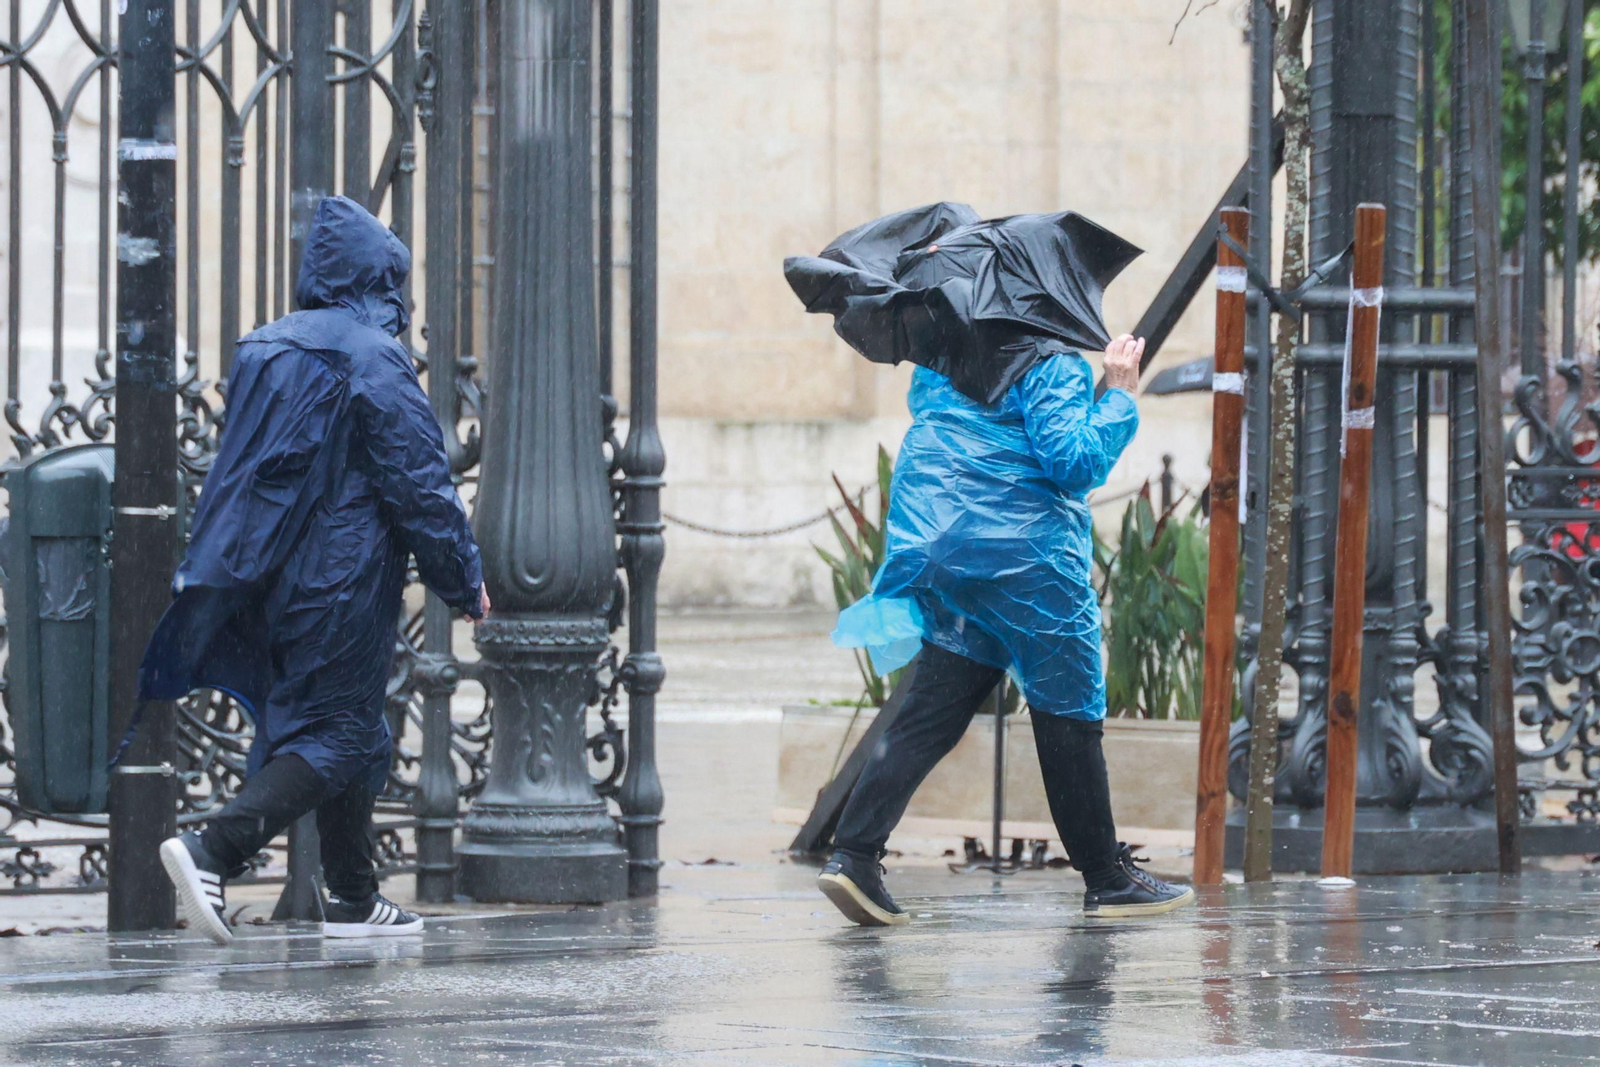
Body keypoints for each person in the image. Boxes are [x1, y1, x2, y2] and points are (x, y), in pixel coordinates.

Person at [785, 205, 1194, 926]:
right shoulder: (1050, 360)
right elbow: (1073, 464)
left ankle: (854, 853)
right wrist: (1120, 396)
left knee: (936, 705)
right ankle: (1107, 877)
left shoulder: (946, 361)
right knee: (1070, 705)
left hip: (944, 550)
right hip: (1028, 563)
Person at [136, 196, 486, 945]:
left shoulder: (267, 347)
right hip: (344, 577)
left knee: (345, 725)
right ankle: (213, 849)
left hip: (270, 572)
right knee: (342, 733)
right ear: (381, 279)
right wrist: (461, 576)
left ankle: (356, 898)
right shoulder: (371, 354)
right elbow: (420, 482)